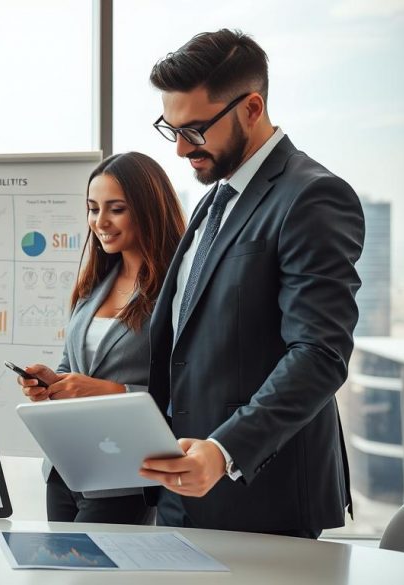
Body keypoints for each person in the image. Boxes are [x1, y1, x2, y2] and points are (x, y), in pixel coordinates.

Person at [138, 29, 363, 538]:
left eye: (194, 130)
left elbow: (319, 354)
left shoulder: (313, 196)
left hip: (263, 498)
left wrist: (224, 451)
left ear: (252, 108)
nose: (180, 148)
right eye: (171, 129)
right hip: (182, 491)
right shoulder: (213, 201)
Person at [14, 152, 185, 523]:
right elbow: (72, 363)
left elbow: (187, 392)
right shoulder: (94, 283)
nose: (100, 222)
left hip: (123, 471)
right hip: (66, 467)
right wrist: (53, 381)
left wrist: (110, 391)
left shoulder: (179, 290)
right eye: (93, 209)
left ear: (149, 209)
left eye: (116, 209)